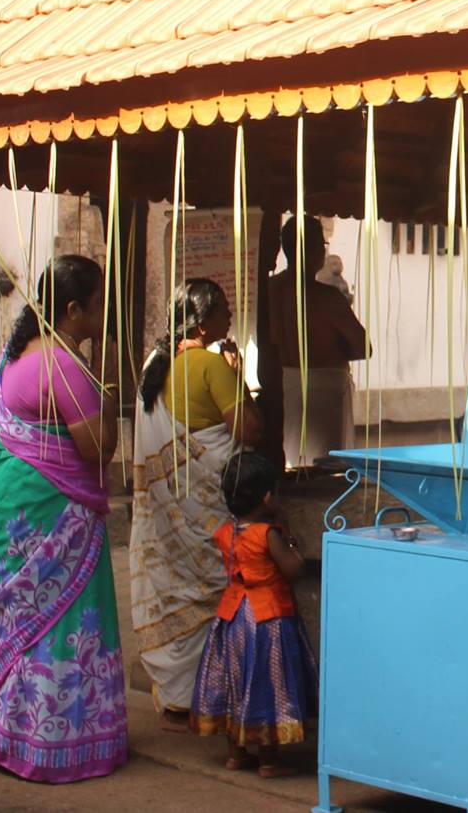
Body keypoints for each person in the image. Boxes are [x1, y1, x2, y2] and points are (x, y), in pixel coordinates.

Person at [0, 254, 129, 782]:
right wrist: (106, 401)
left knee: (18, 616)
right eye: (98, 305)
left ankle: (2, 733)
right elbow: (96, 448)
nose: (104, 314)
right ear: (72, 310)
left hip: (11, 502)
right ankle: (55, 740)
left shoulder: (15, 356)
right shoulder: (62, 363)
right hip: (55, 509)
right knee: (62, 615)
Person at [130, 279, 263, 730]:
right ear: (204, 323)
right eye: (225, 309)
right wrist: (238, 375)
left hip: (169, 513)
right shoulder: (212, 366)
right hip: (207, 508)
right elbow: (248, 433)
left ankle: (176, 696)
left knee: (178, 590)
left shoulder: (155, 363)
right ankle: (214, 696)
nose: (231, 317)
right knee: (218, 592)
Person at [190, 450, 317, 777]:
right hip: (267, 618)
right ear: (268, 498)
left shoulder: (224, 532)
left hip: (232, 615)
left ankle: (236, 754)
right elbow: (294, 571)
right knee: (267, 682)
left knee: (237, 681)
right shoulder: (268, 534)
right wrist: (289, 537)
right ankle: (269, 760)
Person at [267, 215, 366, 468]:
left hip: (281, 384)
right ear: (314, 250)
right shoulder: (327, 298)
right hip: (323, 388)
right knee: (322, 468)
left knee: (288, 463)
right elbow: (362, 346)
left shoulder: (269, 290)